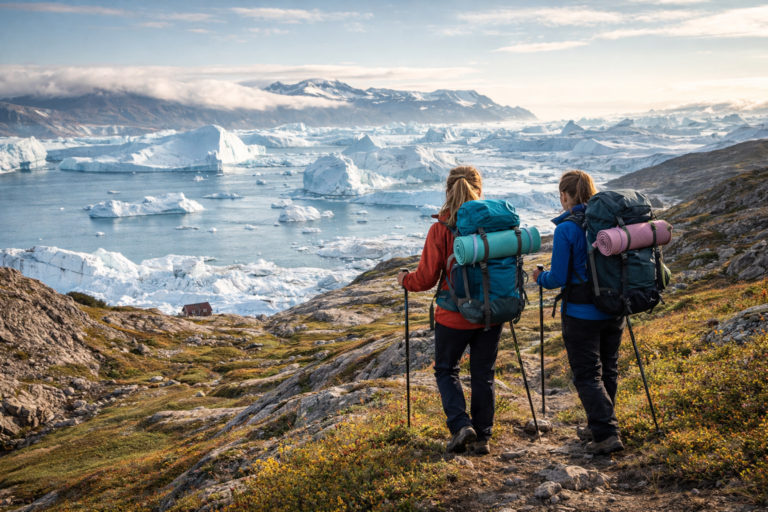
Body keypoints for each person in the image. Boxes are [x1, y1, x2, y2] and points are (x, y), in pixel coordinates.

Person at [397, 166, 500, 456]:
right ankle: (482, 437)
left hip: (454, 315)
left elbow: (425, 279)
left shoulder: (441, 229)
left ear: (447, 191)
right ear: (480, 190)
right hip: (492, 312)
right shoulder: (496, 225)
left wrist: (404, 280)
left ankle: (460, 425)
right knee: (483, 374)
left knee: (446, 369)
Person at [532, 170, 626, 455]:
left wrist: (539, 277)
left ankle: (606, 433)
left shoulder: (567, 229)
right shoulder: (610, 221)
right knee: (608, 369)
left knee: (587, 375)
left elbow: (558, 277)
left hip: (581, 313)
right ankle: (600, 425)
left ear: (564, 195)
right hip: (614, 309)